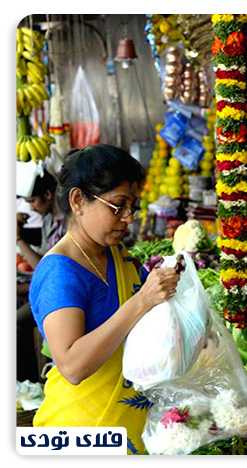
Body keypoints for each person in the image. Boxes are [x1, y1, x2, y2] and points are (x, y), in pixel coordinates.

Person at [29, 145, 180, 455]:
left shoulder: (118, 256)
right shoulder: (60, 272)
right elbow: (72, 365)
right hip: (81, 435)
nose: (128, 218)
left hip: (133, 428)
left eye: (133, 206)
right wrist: (142, 301)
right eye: (117, 205)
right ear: (77, 200)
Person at [16, 170, 65, 383]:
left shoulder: (65, 223)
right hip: (47, 286)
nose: (31, 207)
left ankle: (30, 380)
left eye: (33, 201)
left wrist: (18, 238)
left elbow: (45, 266)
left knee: (16, 322)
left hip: (59, 291)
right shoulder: (47, 220)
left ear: (48, 195)